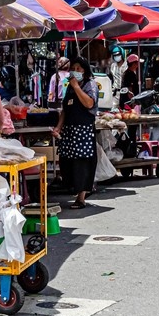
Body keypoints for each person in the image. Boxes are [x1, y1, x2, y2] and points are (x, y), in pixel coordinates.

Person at [52, 56, 98, 209]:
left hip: (83, 130)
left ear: (84, 70)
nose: (75, 71)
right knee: (67, 161)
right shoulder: (70, 87)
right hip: (70, 130)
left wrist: (77, 87)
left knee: (82, 163)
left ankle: (81, 197)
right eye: (73, 68)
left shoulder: (89, 85)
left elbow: (89, 103)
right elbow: (66, 109)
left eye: (79, 68)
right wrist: (59, 127)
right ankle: (73, 189)